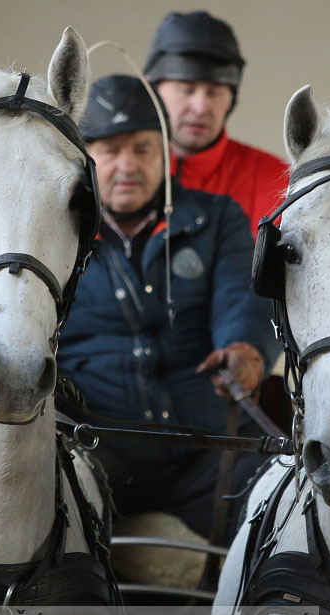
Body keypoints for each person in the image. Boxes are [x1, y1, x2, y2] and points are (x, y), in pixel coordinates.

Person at [57, 75, 278, 539]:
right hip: (94, 448)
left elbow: (243, 299)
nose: (127, 165)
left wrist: (246, 349)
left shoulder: (217, 219)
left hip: (207, 447)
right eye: (110, 150)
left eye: (143, 149)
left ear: (166, 154)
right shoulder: (55, 236)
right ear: (83, 158)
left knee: (277, 502)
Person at [144, 10, 289, 236]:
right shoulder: (113, 179)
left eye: (214, 92)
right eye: (186, 89)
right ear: (150, 90)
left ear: (232, 98)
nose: (201, 108)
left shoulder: (279, 185)